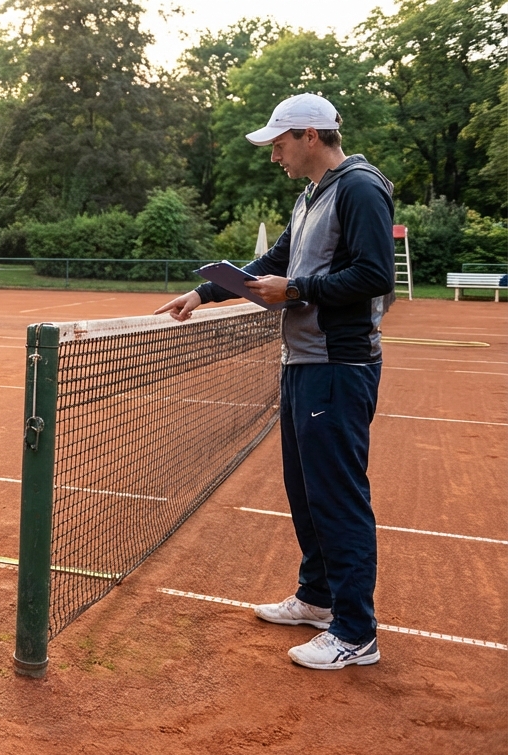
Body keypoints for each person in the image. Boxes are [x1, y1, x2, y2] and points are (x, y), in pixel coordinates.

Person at [155, 93, 395, 670]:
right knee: (306, 491)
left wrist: (297, 290)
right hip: (302, 363)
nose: (274, 156)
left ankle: (356, 633)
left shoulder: (360, 187)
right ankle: (317, 599)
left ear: (310, 135)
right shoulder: (311, 196)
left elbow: (374, 274)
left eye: (280, 143)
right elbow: (277, 261)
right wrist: (205, 292)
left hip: (338, 367)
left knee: (338, 499)